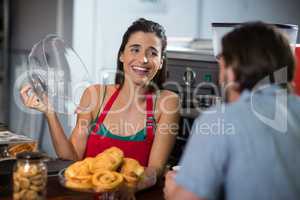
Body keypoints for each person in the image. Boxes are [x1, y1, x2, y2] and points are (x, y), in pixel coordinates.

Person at [21, 18, 180, 197]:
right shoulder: (95, 95)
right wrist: (49, 112)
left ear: (160, 62)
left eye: (152, 53)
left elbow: (155, 170)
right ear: (122, 55)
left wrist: (127, 188)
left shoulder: (168, 103)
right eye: (135, 49)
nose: (143, 59)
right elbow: (71, 158)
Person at [164, 21, 300, 200]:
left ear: (232, 72)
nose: (220, 78)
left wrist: (173, 192)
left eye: (222, 66)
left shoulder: (219, 120)